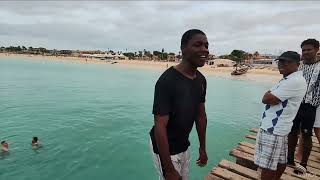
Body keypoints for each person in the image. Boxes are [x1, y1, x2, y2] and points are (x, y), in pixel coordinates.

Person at [149, 29, 209, 180]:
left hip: (184, 146)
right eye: (198, 45)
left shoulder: (201, 80)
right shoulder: (167, 81)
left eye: (206, 45)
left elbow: (200, 116)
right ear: (183, 48)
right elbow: (159, 126)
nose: (204, 50)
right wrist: (168, 168)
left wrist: (202, 148)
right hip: (165, 150)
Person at [254, 51, 307, 180]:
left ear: (297, 64)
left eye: (286, 62)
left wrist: (271, 94)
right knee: (280, 160)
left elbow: (266, 98)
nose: (281, 64)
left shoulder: (293, 81)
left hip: (273, 129)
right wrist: (272, 95)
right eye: (280, 61)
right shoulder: (289, 79)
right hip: (280, 128)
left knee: (267, 166)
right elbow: (271, 97)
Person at [287, 39, 320, 174]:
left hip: (310, 106)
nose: (305, 52)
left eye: (309, 49)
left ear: (317, 49)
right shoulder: (298, 66)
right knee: (292, 132)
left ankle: (303, 164)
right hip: (295, 104)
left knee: (306, 134)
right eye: (303, 50)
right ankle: (289, 159)